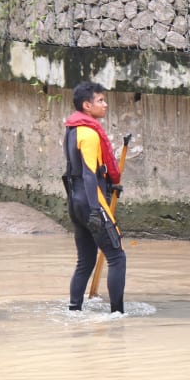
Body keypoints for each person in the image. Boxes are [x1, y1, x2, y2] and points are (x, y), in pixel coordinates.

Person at [62, 81, 126, 313]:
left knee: (85, 261)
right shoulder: (89, 134)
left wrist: (109, 186)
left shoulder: (71, 130)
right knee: (117, 257)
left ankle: (74, 310)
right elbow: (89, 175)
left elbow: (80, 172)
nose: (105, 104)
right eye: (100, 100)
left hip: (75, 202)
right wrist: (97, 210)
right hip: (91, 203)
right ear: (87, 105)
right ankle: (118, 315)